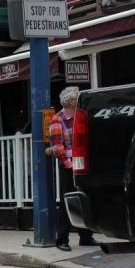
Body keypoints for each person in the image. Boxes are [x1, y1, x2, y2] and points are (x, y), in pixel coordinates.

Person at [47, 86, 99, 252]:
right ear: (70, 101)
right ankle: (62, 239)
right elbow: (56, 146)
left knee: (84, 198)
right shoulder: (57, 119)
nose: (79, 100)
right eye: (77, 98)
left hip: (81, 163)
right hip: (69, 165)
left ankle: (86, 236)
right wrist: (68, 164)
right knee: (67, 202)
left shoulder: (80, 117)